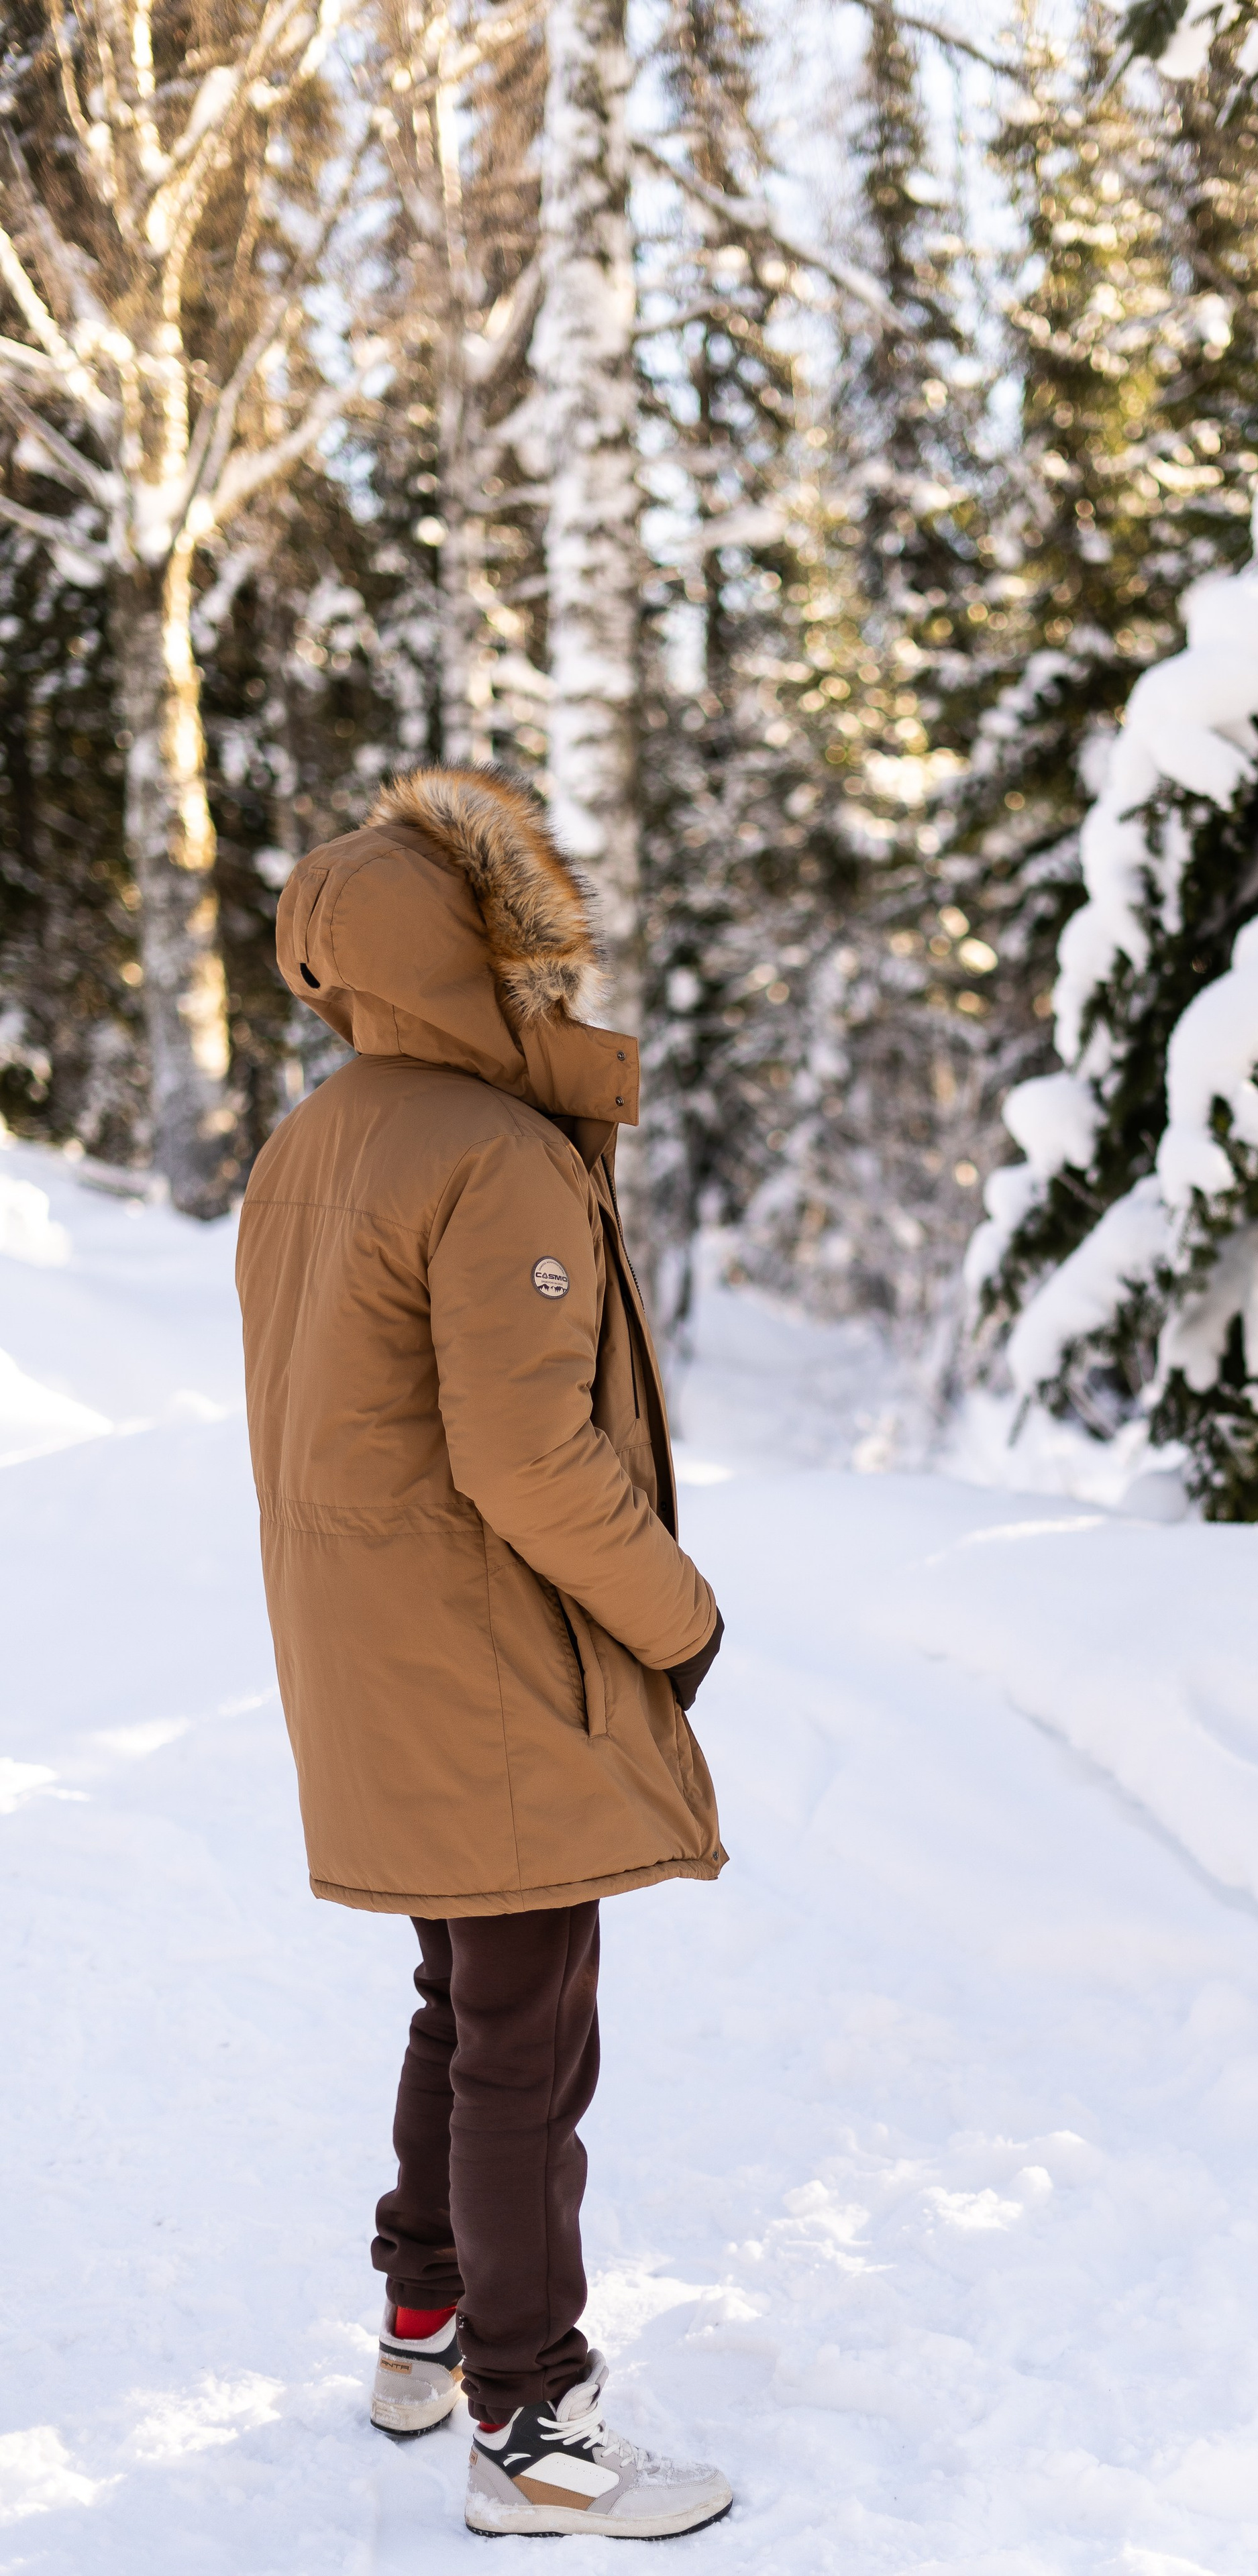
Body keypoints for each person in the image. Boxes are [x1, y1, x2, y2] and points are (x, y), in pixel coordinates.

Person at [235, 765, 732, 2540]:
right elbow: (528, 1462)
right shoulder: (496, 1156)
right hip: (491, 1665)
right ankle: (532, 2426)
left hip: (374, 1656)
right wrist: (678, 1616)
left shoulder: (314, 1140)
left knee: (467, 2001)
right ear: (479, 960)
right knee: (529, 2039)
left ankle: (423, 2323)